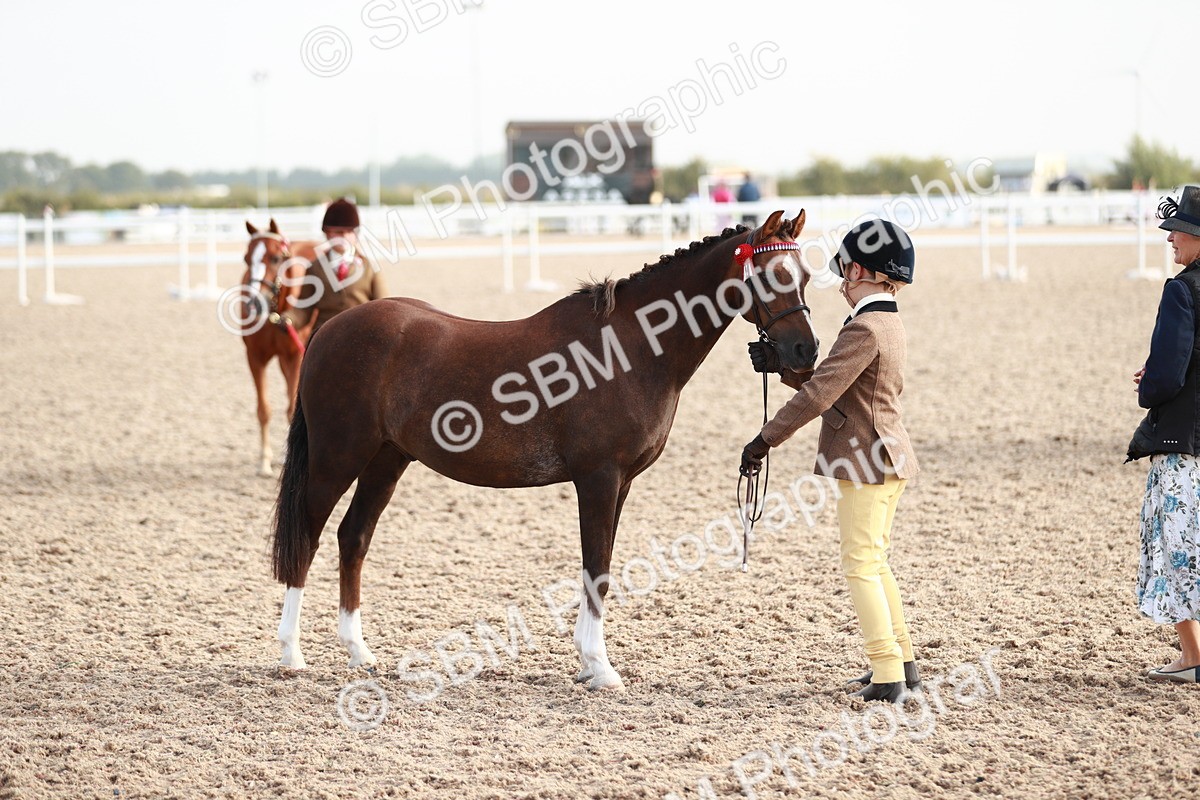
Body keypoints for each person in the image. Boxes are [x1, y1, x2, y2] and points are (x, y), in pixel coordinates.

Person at [742, 219, 920, 704]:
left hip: (867, 461)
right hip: (887, 457)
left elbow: (820, 395)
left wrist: (765, 439)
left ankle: (887, 672)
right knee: (876, 561)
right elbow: (838, 391)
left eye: (845, 272)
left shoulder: (863, 327)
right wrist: (782, 368)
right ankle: (902, 660)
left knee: (859, 564)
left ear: (862, 271)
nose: (842, 282)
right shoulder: (888, 321)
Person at [1127, 184, 1200, 684]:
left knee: (1178, 546)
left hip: (1186, 442)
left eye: (1180, 230)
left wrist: (1149, 381)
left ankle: (1194, 655)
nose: (1171, 238)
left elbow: (1167, 377)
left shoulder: (1182, 289)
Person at [292, 198, 388, 334]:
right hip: (324, 336)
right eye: (338, 232)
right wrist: (288, 320)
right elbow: (304, 308)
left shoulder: (370, 268)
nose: (343, 237)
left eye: (348, 232)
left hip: (361, 335)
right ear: (327, 233)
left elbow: (383, 306)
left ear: (356, 235)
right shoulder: (314, 268)